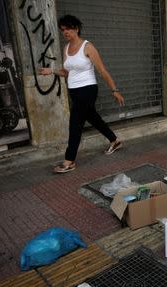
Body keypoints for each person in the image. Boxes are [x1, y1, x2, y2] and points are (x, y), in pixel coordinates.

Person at [39, 15, 124, 173]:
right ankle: (115, 140)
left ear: (76, 28)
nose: (65, 32)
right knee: (93, 118)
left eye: (68, 29)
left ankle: (69, 160)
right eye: (63, 30)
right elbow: (66, 72)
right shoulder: (66, 48)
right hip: (74, 91)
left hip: (88, 89)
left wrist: (115, 90)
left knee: (75, 123)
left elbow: (102, 70)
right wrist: (51, 71)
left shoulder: (87, 46)